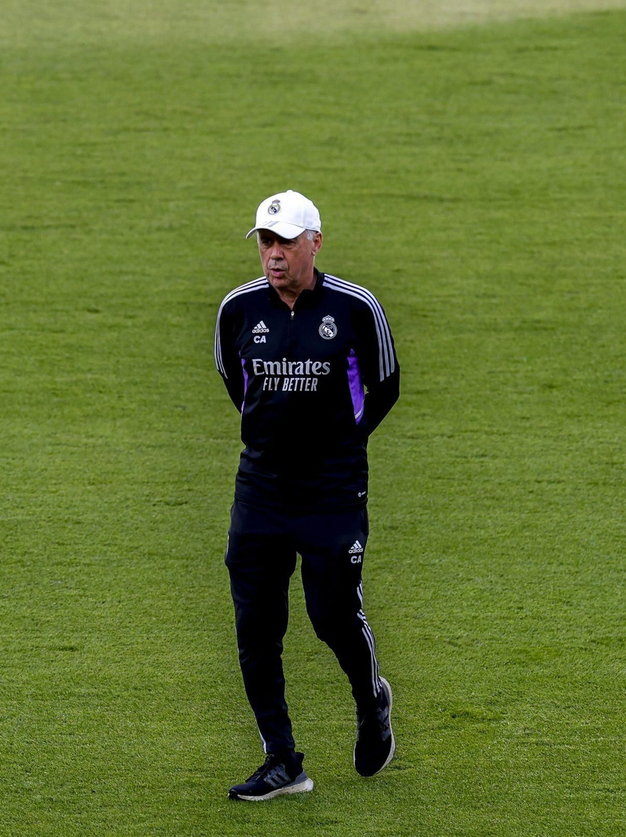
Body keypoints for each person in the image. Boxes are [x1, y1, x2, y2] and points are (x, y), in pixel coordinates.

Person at [214, 189, 401, 801]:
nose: (273, 255)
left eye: (286, 242)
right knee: (256, 627)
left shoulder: (355, 308)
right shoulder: (237, 310)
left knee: (332, 616)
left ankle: (370, 697)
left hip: (332, 493)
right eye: (266, 242)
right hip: (261, 492)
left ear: (315, 243)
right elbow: (236, 382)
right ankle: (281, 760)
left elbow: (385, 385)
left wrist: (342, 445)